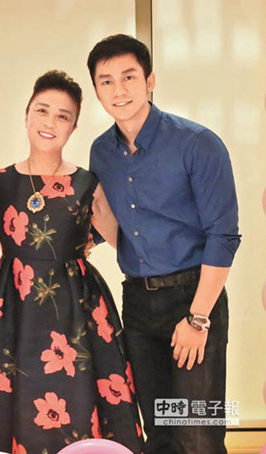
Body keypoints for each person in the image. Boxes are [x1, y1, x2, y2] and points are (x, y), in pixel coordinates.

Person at [87, 34, 241, 454]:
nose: (119, 90)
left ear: (150, 80)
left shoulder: (197, 143)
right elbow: (113, 224)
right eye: (106, 81)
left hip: (194, 297)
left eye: (129, 77)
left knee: (198, 435)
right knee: (158, 434)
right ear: (97, 91)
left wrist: (198, 318)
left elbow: (224, 235)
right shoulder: (101, 153)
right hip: (138, 304)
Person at [0, 70, 144, 454]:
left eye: (62, 116)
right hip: (15, 307)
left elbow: (124, 238)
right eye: (42, 111)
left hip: (77, 307)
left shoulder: (87, 183)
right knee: (22, 398)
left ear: (73, 127)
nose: (50, 122)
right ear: (26, 115)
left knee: (80, 397)